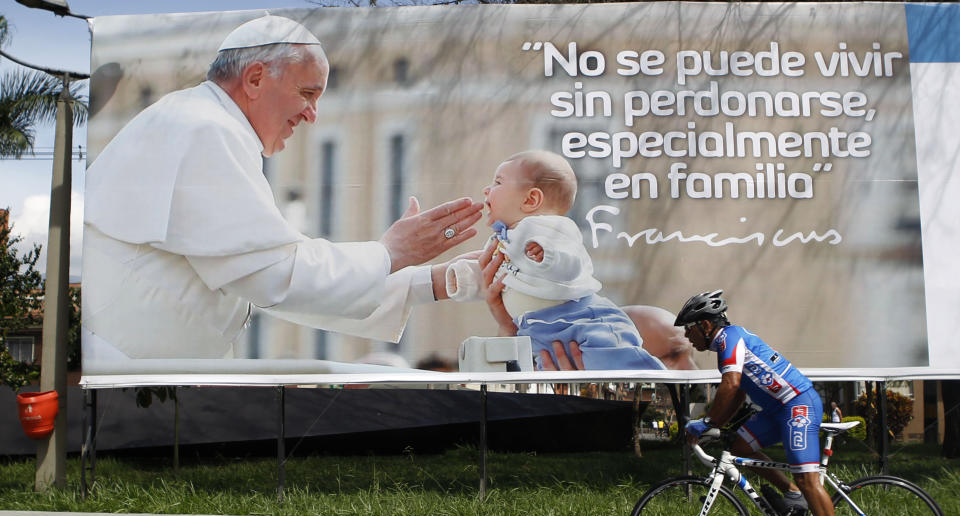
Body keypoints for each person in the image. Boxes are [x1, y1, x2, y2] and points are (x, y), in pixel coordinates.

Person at [83, 15, 483, 361]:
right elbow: (276, 276)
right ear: (255, 77)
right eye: (307, 93)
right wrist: (390, 254)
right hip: (123, 371)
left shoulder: (200, 121)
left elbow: (266, 279)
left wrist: (427, 282)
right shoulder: (206, 128)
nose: (312, 115)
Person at [676, 290, 854, 516]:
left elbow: (731, 385)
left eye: (689, 328)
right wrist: (712, 423)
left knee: (809, 478)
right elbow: (739, 391)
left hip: (797, 405)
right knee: (740, 448)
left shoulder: (728, 338)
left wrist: (707, 422)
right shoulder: (726, 345)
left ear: (705, 325)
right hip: (776, 409)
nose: (686, 335)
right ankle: (792, 495)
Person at [446, 149, 664, 371]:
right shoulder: (504, 240)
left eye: (497, 182)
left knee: (608, 357)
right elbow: (488, 274)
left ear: (531, 199)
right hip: (538, 331)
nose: (486, 189)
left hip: (576, 318)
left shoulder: (550, 228)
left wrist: (547, 255)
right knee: (547, 376)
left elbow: (572, 263)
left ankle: (656, 378)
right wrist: (460, 279)